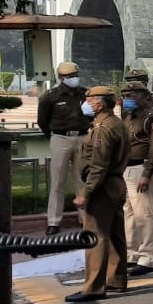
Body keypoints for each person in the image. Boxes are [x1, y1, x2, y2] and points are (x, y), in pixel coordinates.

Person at [66, 86, 130, 303]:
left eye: (90, 99)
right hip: (115, 184)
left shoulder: (103, 128)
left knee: (95, 236)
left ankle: (93, 287)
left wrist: (86, 192)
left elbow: (98, 166)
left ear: (100, 103)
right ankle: (117, 279)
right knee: (115, 234)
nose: (86, 103)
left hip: (102, 186)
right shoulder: (117, 123)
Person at [38, 61, 91, 236]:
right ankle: (53, 221)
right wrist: (53, 136)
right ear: (61, 78)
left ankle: (86, 218)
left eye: (75, 75)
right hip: (60, 137)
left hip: (83, 136)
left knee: (82, 179)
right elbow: (42, 121)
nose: (74, 79)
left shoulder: (85, 93)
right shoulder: (50, 96)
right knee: (57, 181)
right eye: (70, 77)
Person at [120, 82, 153, 277]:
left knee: (145, 214)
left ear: (144, 95)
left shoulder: (152, 117)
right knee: (129, 214)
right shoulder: (128, 117)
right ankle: (131, 253)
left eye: (131, 95)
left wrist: (148, 173)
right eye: (124, 95)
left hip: (141, 168)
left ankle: (147, 257)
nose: (127, 99)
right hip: (126, 169)